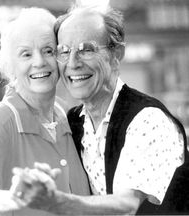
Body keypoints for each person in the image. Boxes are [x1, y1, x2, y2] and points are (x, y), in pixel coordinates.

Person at [18, 3, 189, 215]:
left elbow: (126, 205)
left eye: (86, 50)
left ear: (116, 54)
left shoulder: (148, 120)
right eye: (64, 52)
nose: (72, 63)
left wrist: (57, 202)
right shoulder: (71, 123)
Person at [0, 7, 90, 216]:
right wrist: (12, 198)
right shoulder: (3, 120)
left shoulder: (63, 115)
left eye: (48, 50)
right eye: (26, 54)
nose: (39, 62)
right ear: (10, 66)